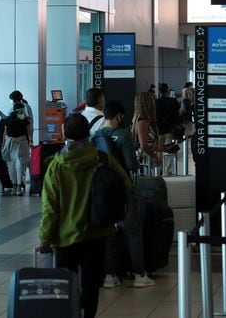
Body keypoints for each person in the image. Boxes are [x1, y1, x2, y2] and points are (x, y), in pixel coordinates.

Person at [38, 113, 132, 318]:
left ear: (65, 134)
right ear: (87, 133)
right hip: (97, 233)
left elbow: (50, 208)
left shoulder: (57, 166)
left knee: (65, 284)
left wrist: (45, 238)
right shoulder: (103, 158)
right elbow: (125, 186)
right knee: (91, 286)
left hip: (65, 237)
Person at [90, 100, 154, 288]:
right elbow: (132, 166)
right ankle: (139, 274)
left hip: (102, 190)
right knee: (133, 231)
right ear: (119, 116)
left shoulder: (96, 135)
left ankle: (110, 276)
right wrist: (138, 158)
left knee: (108, 232)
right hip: (122, 188)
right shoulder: (123, 135)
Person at [1, 103, 31, 196]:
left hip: (17, 143)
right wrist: (3, 143)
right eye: (21, 110)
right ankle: (15, 186)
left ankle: (17, 187)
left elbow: (29, 132)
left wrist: (31, 141)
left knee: (17, 166)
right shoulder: (10, 119)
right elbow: (5, 132)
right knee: (14, 166)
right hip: (13, 143)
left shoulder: (24, 120)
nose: (22, 112)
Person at [131, 92, 160, 167]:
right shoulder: (143, 122)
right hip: (146, 162)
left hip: (146, 160)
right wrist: (154, 156)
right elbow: (144, 145)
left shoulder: (141, 120)